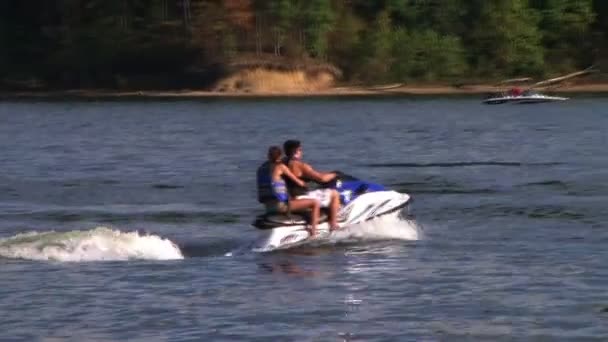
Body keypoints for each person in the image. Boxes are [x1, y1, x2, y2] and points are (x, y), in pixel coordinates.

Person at [257, 146, 321, 236]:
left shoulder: (261, 169)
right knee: (315, 203)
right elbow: (298, 181)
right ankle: (314, 233)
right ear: (280, 156)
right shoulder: (280, 167)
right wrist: (306, 184)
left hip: (268, 207)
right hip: (280, 206)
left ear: (268, 156)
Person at [282, 139, 341, 231]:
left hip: (289, 199)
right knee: (334, 194)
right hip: (300, 198)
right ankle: (333, 225)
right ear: (296, 151)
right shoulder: (300, 165)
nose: (301, 152)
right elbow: (321, 178)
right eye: (300, 150)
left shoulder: (282, 164)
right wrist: (335, 174)